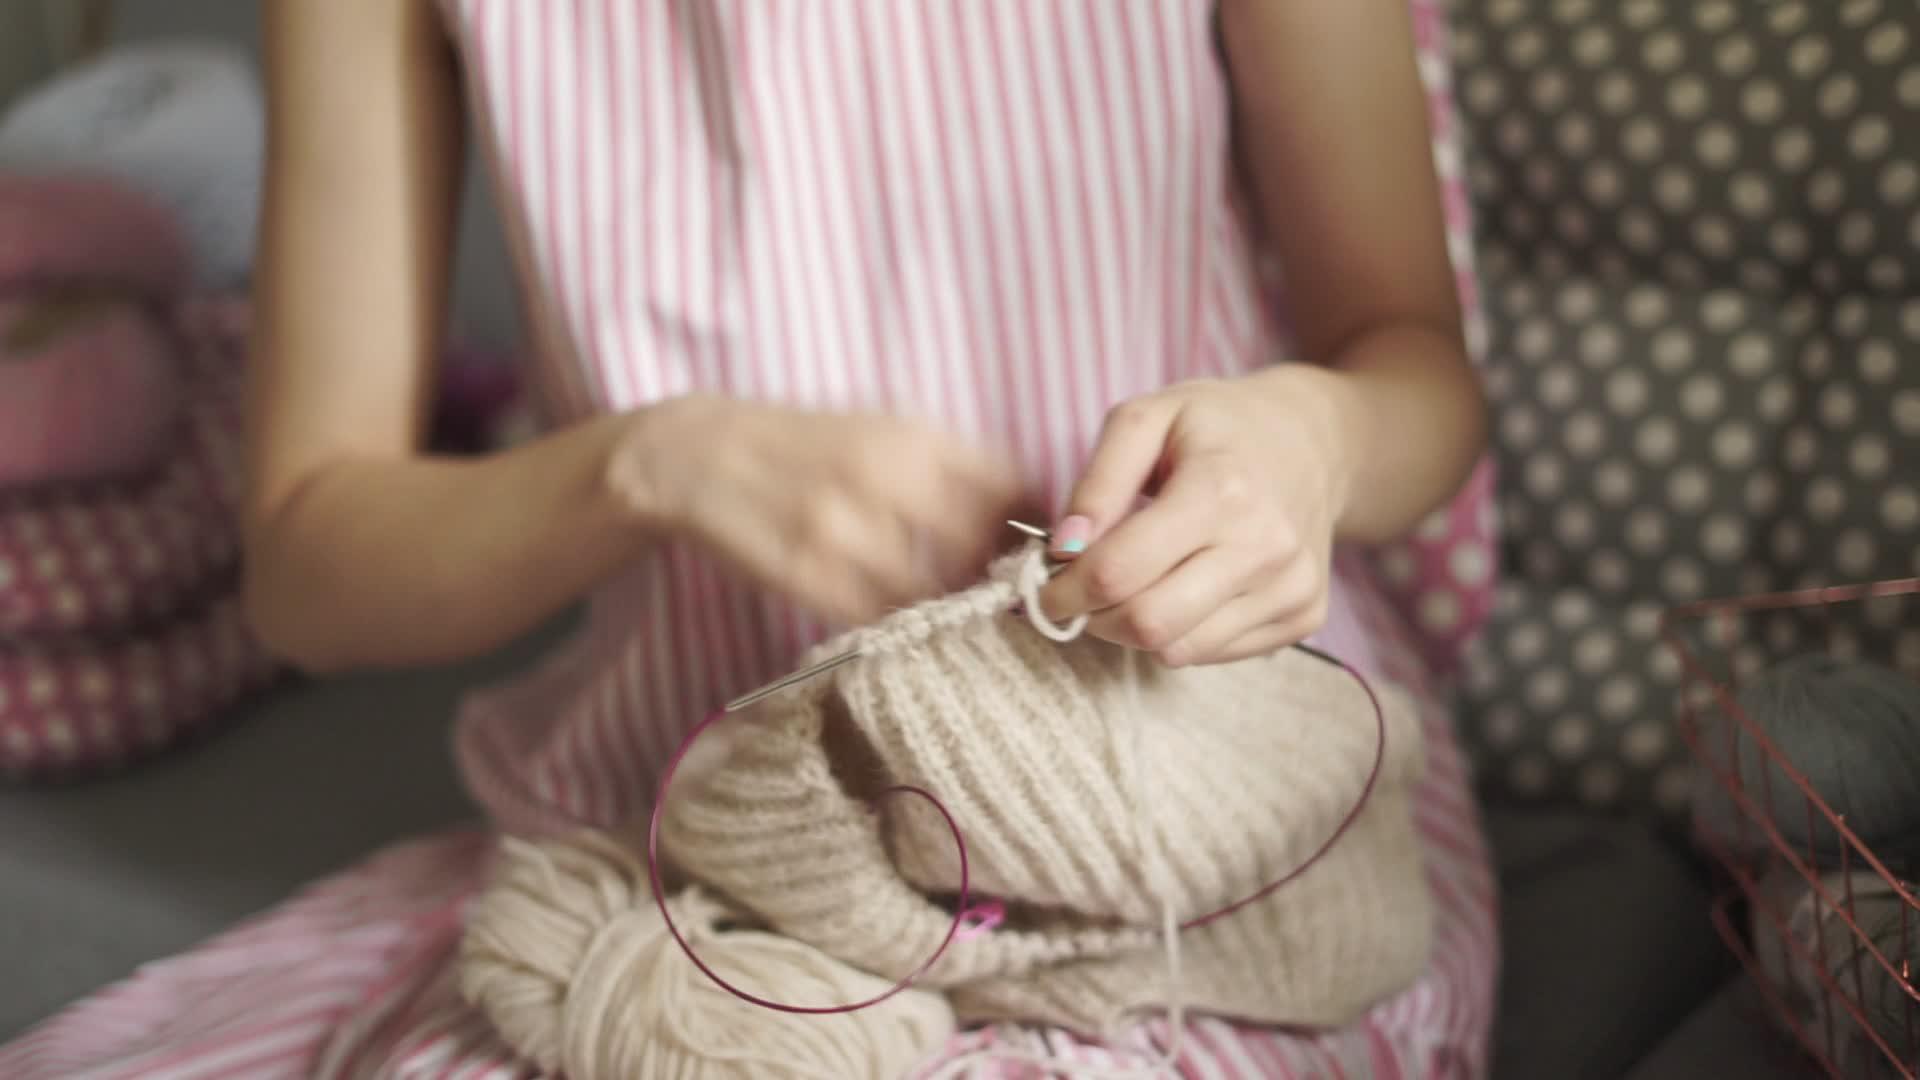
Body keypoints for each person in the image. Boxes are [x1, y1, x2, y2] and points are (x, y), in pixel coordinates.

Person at [5, 0, 1500, 1075]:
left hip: (1218, 810)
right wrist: (650, 465)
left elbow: (1414, 372)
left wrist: (1308, 441)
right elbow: (310, 569)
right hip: (693, 833)